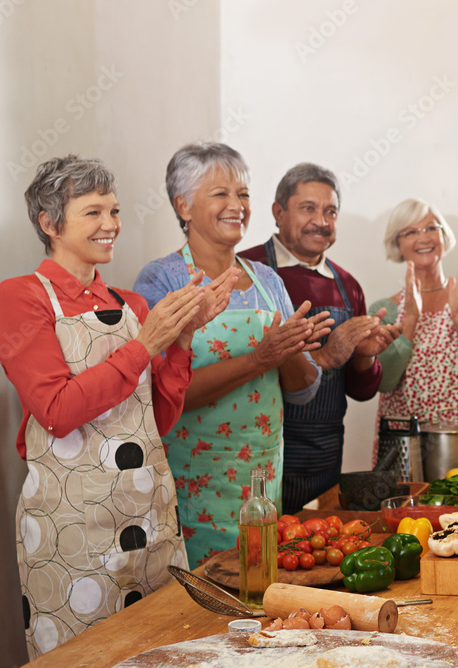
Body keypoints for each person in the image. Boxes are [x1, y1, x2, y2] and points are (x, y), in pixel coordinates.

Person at [0, 155, 237, 658]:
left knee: (163, 651)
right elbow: (57, 411)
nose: (111, 225)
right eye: (93, 212)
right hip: (73, 525)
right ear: (48, 223)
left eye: (115, 210)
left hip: (149, 517)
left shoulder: (133, 306)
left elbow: (157, 421)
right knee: (85, 657)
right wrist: (146, 346)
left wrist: (184, 336)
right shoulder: (22, 298)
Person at [134, 143, 328, 566]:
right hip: (191, 482)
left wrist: (288, 348)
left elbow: (304, 390)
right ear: (182, 205)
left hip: (260, 477)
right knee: (200, 602)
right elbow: (163, 395)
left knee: (258, 590)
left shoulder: (266, 280)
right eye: (220, 193)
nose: (236, 205)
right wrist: (260, 359)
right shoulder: (163, 279)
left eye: (242, 194)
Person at [239, 163, 399, 513]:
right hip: (260, 446)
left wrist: (364, 357)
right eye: (308, 208)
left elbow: (360, 392)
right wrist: (324, 354)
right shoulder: (245, 271)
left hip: (326, 451)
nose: (321, 221)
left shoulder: (347, 284)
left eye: (331, 211)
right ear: (278, 213)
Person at [370, 198, 458, 461]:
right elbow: (383, 382)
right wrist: (408, 325)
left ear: (444, 236)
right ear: (397, 244)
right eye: (410, 231)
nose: (423, 238)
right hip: (403, 448)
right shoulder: (384, 309)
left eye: (431, 228)